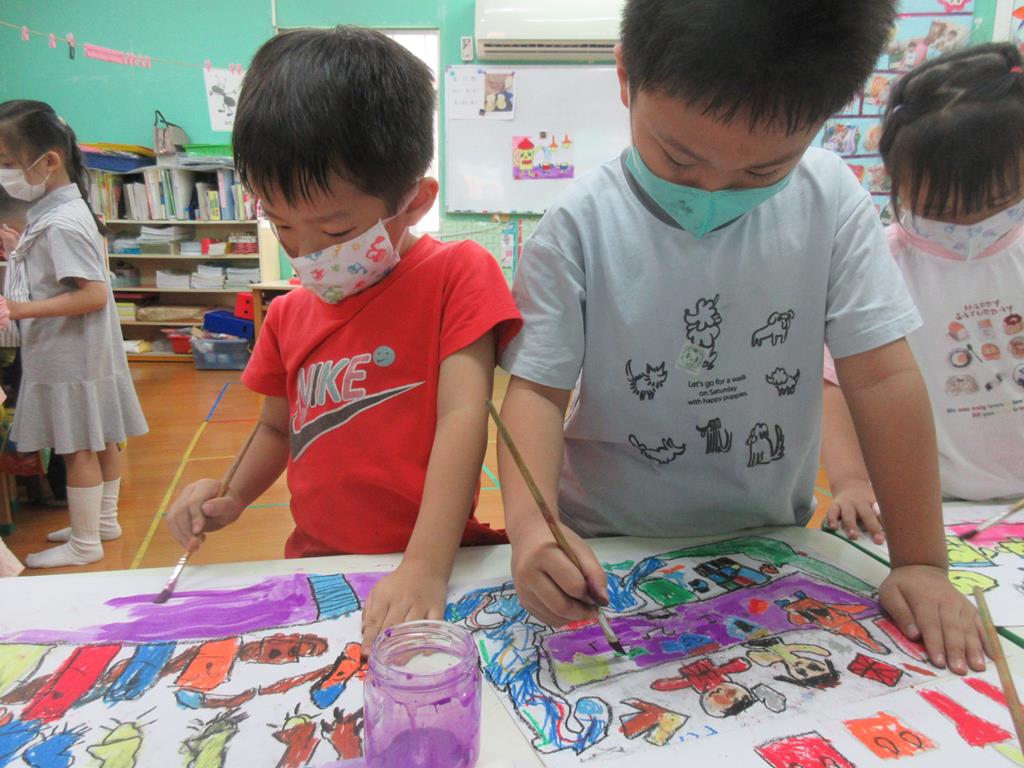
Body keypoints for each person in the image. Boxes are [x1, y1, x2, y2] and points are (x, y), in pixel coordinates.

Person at [499, 0, 988, 675]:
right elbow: (536, 394)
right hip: (606, 546)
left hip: (769, 541)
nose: (713, 189)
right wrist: (532, 529)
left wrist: (923, 562)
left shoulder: (831, 200)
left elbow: (882, 378)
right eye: (677, 158)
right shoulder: (577, 227)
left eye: (762, 172)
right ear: (625, 76)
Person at [165, 27, 521, 647]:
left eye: (333, 230)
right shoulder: (287, 316)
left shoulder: (456, 275)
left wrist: (424, 565)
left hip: (435, 561)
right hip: (319, 564)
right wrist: (230, 494)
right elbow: (277, 430)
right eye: (281, 226)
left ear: (415, 201)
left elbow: (463, 417)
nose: (305, 252)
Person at [822, 43, 1024, 529]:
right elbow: (831, 385)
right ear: (896, 179)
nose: (969, 224)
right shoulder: (880, 262)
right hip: (929, 503)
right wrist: (852, 481)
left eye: (998, 202)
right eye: (940, 209)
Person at [0, 100, 148, 568]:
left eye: (6, 163)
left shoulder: (62, 221)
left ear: (49, 161)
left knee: (76, 445)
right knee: (100, 437)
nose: (3, 174)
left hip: (70, 351)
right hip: (81, 351)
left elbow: (93, 294)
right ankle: (102, 521)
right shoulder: (59, 209)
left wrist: (18, 308)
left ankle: (85, 543)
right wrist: (18, 249)